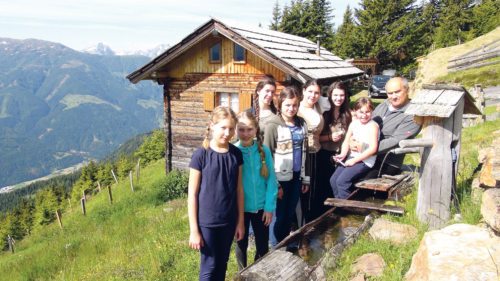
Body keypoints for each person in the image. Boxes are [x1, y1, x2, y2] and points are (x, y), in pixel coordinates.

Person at [187, 106, 245, 281]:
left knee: (222, 263)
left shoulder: (236, 155)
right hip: (207, 223)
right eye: (223, 127)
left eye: (231, 128)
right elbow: (192, 194)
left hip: (228, 221)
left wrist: (240, 222)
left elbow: (239, 190)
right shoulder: (201, 155)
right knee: (209, 267)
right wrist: (194, 230)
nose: (227, 133)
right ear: (212, 126)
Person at [264, 86, 310, 244]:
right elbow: (267, 156)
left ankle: (283, 242)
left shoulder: (302, 123)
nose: (291, 109)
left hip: (297, 175)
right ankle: (273, 246)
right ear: (280, 105)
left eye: (295, 105)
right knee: (279, 214)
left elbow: (306, 152)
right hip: (280, 178)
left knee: (290, 212)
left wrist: (305, 178)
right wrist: (274, 184)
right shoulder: (273, 125)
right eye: (287, 105)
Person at [235, 110, 278, 270]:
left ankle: (258, 273)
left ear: (256, 130)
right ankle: (242, 274)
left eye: (249, 129)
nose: (245, 134)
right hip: (240, 210)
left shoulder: (264, 151)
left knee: (262, 246)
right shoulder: (233, 151)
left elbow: (271, 181)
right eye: (241, 129)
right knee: (241, 244)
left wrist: (268, 207)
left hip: (261, 208)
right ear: (236, 130)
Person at [357, 77, 421, 177]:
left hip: (387, 161)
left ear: (407, 90)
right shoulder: (384, 105)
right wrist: (353, 140)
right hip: (366, 154)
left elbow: (395, 141)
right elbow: (366, 124)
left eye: (397, 92)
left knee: (358, 179)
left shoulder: (412, 115)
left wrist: (366, 148)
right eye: (390, 93)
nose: (393, 96)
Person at [330, 97, 379, 199]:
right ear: (355, 111)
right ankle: (338, 204)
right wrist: (343, 154)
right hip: (352, 157)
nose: (364, 115)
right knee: (333, 180)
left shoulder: (373, 126)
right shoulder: (354, 124)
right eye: (361, 112)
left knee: (342, 181)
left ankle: (347, 207)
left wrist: (354, 160)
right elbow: (346, 141)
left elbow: (373, 148)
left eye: (368, 112)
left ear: (372, 111)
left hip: (364, 160)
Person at [316, 81, 352, 211]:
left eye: (341, 95)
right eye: (335, 95)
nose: (339, 98)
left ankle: (336, 213)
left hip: (341, 156)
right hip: (325, 155)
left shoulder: (348, 114)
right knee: (324, 187)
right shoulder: (324, 113)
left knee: (336, 186)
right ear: (330, 95)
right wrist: (330, 137)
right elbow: (315, 138)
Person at [297, 80, 324, 223]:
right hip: (303, 155)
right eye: (310, 92)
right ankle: (301, 225)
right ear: (304, 91)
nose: (313, 95)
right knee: (304, 191)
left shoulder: (318, 108)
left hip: (317, 153)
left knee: (313, 191)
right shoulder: (297, 109)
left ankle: (311, 222)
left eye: (317, 93)